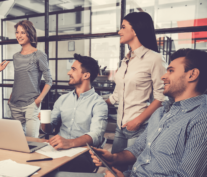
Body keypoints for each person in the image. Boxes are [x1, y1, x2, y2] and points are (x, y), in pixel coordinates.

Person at [53, 48, 207, 177]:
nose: (163, 76)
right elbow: (137, 149)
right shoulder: (160, 113)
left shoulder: (201, 118)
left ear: (192, 74)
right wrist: (113, 158)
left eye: (171, 71)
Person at [105, 12, 166, 167]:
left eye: (123, 27)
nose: (119, 31)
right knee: (115, 167)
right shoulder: (125, 60)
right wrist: (97, 103)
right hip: (121, 126)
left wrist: (138, 121)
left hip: (140, 127)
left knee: (134, 170)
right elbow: (117, 94)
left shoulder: (154, 59)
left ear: (135, 30)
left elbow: (162, 97)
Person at [40, 54, 108, 173]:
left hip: (83, 153)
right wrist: (44, 122)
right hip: (58, 149)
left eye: (73, 69)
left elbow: (96, 135)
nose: (68, 73)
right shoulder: (63, 99)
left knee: (70, 166)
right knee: (36, 161)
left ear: (86, 75)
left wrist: (70, 143)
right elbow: (49, 129)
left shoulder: (99, 104)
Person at [8, 20, 52, 138]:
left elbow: (49, 81)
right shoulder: (15, 56)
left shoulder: (39, 55)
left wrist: (38, 100)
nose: (19, 35)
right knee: (17, 141)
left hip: (31, 104)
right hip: (15, 104)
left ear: (30, 34)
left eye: (23, 32)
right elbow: (19, 79)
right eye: (17, 32)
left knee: (32, 141)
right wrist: (11, 97)